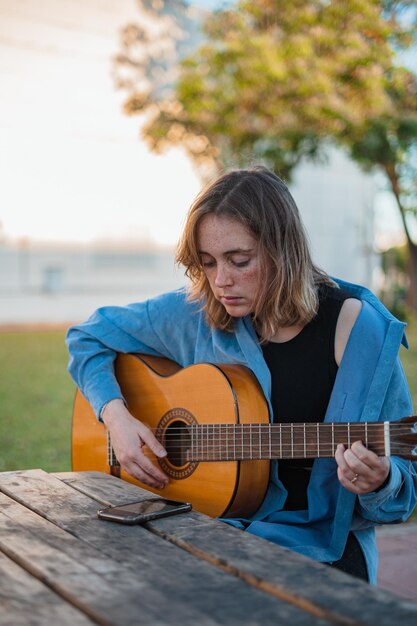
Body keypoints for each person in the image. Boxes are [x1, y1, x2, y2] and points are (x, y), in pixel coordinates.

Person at [66, 165, 417, 584]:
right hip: (206, 524)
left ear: (283, 250)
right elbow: (87, 337)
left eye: (239, 261)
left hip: (318, 543)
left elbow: (403, 490)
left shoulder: (358, 330)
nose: (220, 281)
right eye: (207, 263)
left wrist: (380, 480)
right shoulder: (195, 311)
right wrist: (116, 417)